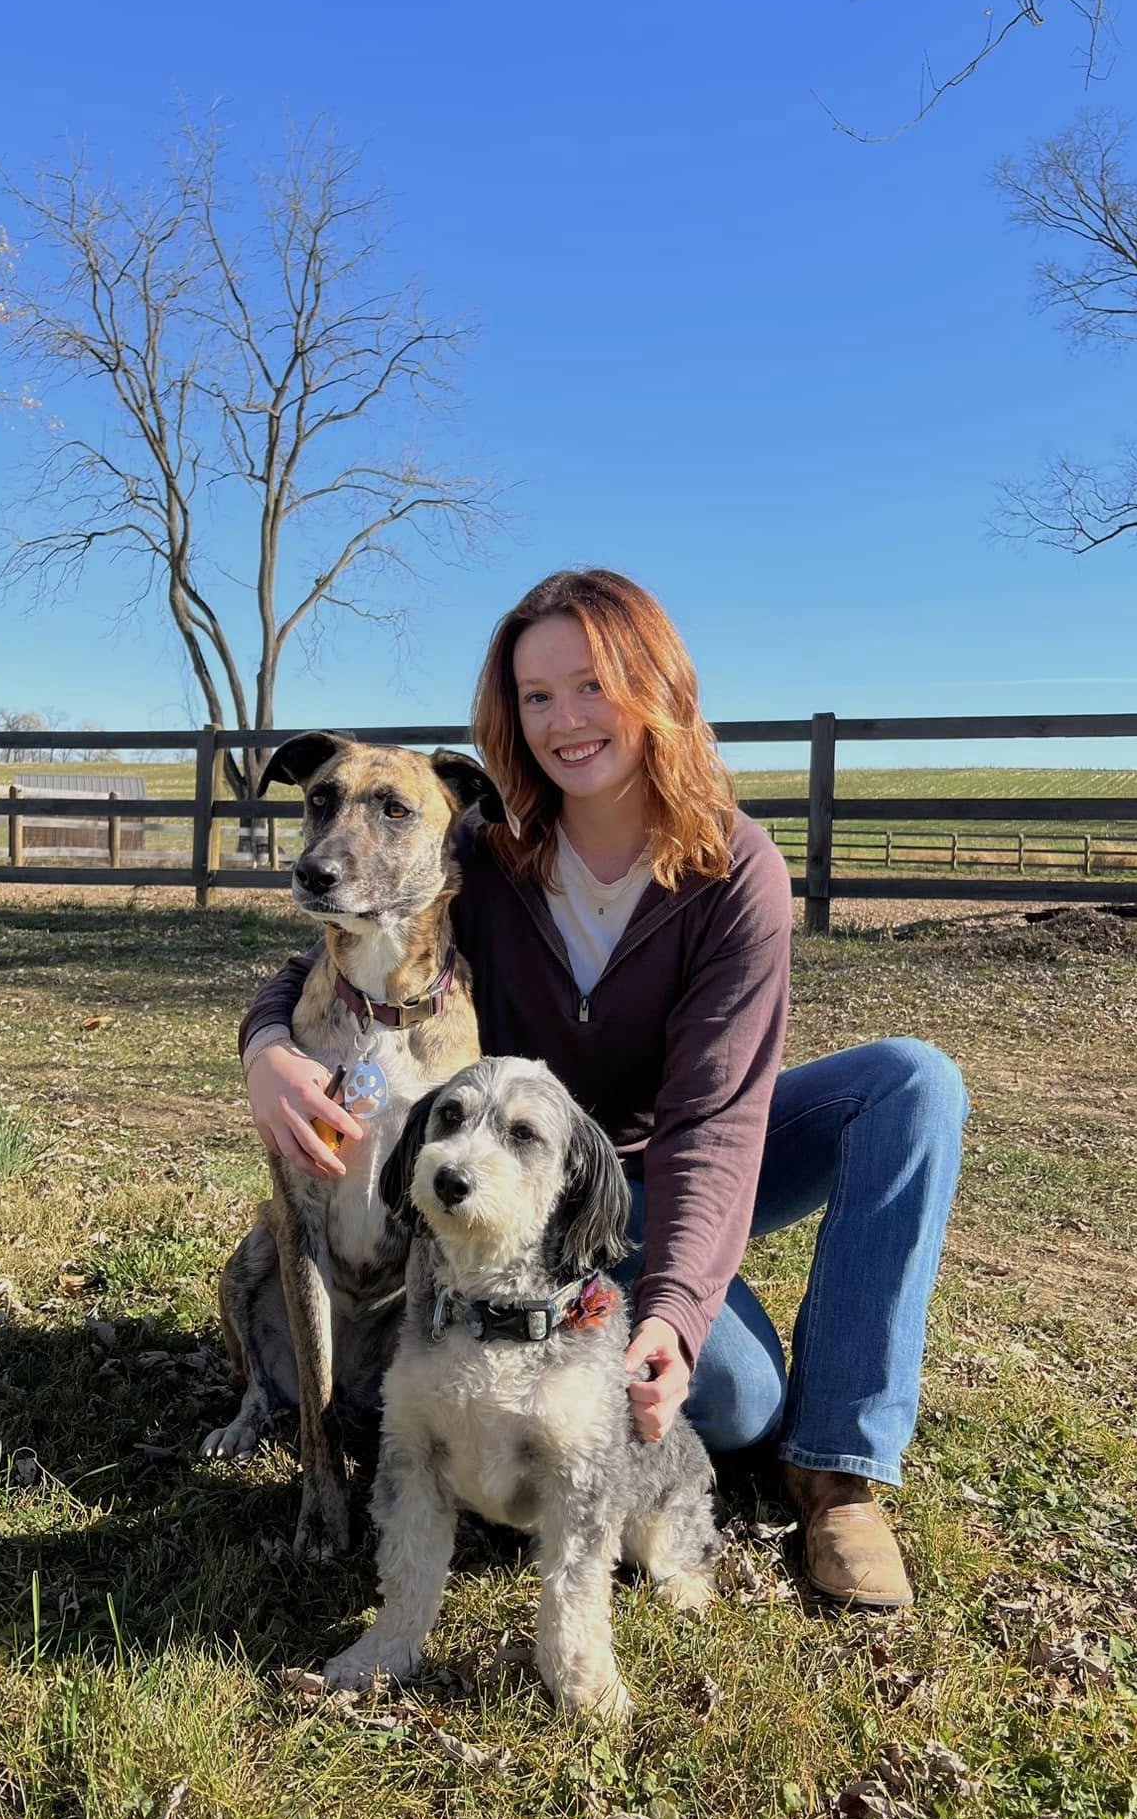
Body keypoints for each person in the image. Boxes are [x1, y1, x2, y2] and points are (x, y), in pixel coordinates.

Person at [239, 568, 967, 1610]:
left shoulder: (733, 869)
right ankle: (731, 1383)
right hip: (563, 1189)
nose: (566, 720)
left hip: (684, 1153)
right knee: (736, 1396)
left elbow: (716, 1120)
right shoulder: (485, 854)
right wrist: (268, 1043)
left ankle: (842, 1470)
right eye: (537, 697)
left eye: (592, 684)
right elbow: (345, 954)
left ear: (654, 684)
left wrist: (669, 1310)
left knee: (910, 1084)